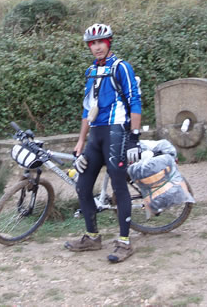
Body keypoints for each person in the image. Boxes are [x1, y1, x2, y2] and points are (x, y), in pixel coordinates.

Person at [64, 23, 142, 263]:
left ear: (109, 43)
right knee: (82, 185)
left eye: (101, 42)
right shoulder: (91, 71)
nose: (97, 47)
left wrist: (134, 137)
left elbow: (135, 100)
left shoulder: (121, 67)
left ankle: (124, 242)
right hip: (96, 134)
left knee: (119, 186)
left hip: (116, 130)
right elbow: (87, 109)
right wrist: (81, 140)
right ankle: (92, 237)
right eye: (93, 43)